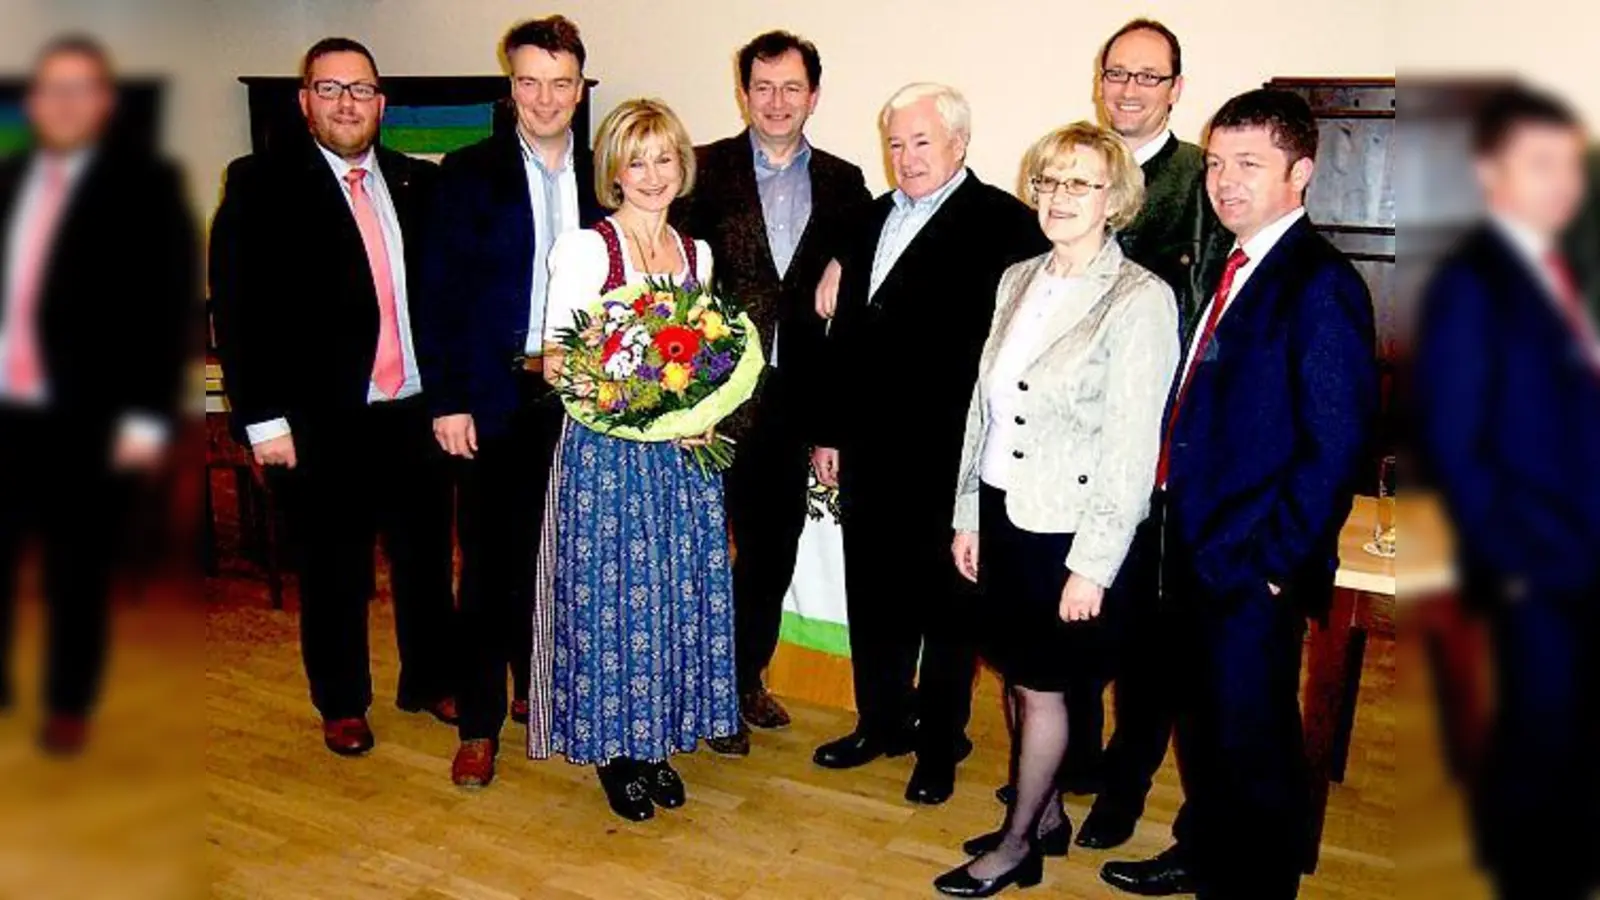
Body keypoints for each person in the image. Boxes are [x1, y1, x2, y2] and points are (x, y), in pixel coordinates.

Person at [1102, 89, 1377, 899]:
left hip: (1249, 563)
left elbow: (1336, 447)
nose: (1224, 182)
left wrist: (1274, 567)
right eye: (1217, 163)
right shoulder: (1235, 263)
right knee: (1209, 728)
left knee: (1253, 744)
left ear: (1301, 172)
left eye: (1248, 165)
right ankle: (1203, 846)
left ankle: (1247, 881)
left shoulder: (1318, 283)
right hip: (1192, 548)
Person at [931, 122, 1177, 897]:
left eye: (1081, 183)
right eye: (1049, 180)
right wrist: (968, 512)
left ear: (1116, 199)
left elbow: (1132, 449)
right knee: (1013, 674)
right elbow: (985, 407)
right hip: (1006, 513)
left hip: (1069, 532)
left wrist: (1094, 565)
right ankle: (1044, 820)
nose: (1060, 196)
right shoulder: (1018, 278)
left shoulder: (1140, 299)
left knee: (1044, 687)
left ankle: (1015, 847)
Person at [211, 38, 456, 758]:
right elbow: (239, 310)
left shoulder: (418, 184)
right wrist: (261, 421)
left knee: (424, 561)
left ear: (382, 103)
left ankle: (429, 677)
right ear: (304, 101)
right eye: (330, 89)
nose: (347, 103)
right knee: (335, 571)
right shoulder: (260, 185)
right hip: (323, 421)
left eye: (360, 89)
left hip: (413, 409)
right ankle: (343, 702)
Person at [809, 83, 1048, 806]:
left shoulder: (1008, 226)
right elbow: (840, 336)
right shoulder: (863, 219)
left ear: (959, 144)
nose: (906, 157)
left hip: (954, 458)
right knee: (872, 595)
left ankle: (940, 747)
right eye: (896, 143)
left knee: (948, 611)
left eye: (921, 142)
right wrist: (828, 430)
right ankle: (879, 722)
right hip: (868, 451)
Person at [527, 98, 740, 822]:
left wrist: (697, 411)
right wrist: (638, 405)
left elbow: (707, 359)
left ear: (682, 165)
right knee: (612, 604)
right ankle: (618, 754)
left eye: (664, 157)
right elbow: (558, 361)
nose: (651, 174)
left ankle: (658, 744)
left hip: (680, 461)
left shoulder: (697, 253)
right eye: (636, 159)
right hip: (608, 459)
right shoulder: (587, 249)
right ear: (613, 170)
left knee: (674, 597)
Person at [1415, 85, 1600, 900]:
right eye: (1542, 163)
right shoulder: (1472, 281)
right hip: (1536, 562)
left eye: (1571, 163)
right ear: (1492, 171)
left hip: (1580, 545)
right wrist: (1514, 562)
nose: (1565, 181)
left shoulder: (1559, 265)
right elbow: (1456, 442)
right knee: (1537, 737)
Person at [415, 15, 605, 788]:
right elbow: (438, 297)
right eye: (530, 81)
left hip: (587, 403)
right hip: (496, 395)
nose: (545, 97)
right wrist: (448, 400)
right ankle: (480, 725)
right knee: (490, 565)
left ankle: (543, 691)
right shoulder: (463, 175)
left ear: (581, 87)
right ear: (511, 86)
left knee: (568, 562)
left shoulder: (608, 175)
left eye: (561, 82)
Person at [669, 30, 870, 756]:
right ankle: (686, 684)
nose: (777, 101)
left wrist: (833, 425)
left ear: (814, 95)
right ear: (743, 92)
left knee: (768, 551)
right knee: (691, 550)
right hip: (707, 405)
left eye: (792, 88)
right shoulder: (701, 172)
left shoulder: (847, 185)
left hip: (793, 405)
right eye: (763, 87)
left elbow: (856, 308)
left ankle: (741, 678)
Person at [0, 35, 194, 756]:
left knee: (72, 569)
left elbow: (168, 310)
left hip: (85, 420)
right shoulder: (8, 181)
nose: (65, 104)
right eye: (52, 90)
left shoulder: (145, 191)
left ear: (105, 103)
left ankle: (68, 703)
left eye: (82, 90)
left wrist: (146, 420)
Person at [1073, 17, 1230, 851]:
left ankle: (1122, 791)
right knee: (1081, 614)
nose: (1129, 89)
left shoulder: (1199, 182)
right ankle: (1079, 764)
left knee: (1145, 640)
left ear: (1175, 88)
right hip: (1074, 444)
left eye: (1148, 76)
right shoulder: (1078, 167)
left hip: (1157, 451)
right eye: (1117, 74)